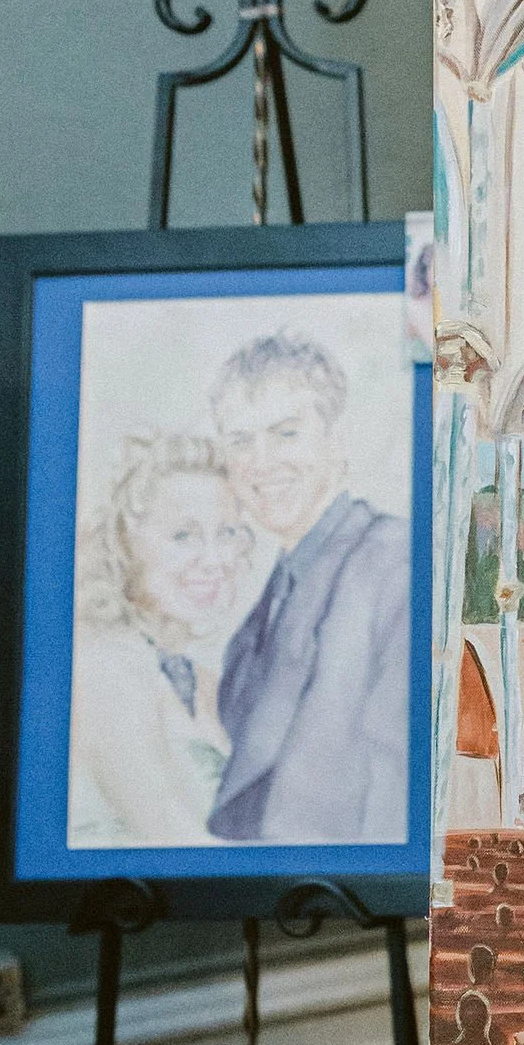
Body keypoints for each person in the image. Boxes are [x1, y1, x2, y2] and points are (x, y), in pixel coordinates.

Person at [208, 331, 409, 845]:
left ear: (338, 441)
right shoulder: (266, 602)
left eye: (285, 433)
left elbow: (396, 792)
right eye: (240, 440)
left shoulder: (393, 564)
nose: (260, 462)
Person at [67, 433, 258, 846]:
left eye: (227, 532)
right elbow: (176, 840)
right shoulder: (103, 665)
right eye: (183, 536)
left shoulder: (199, 679)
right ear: (125, 544)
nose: (214, 560)